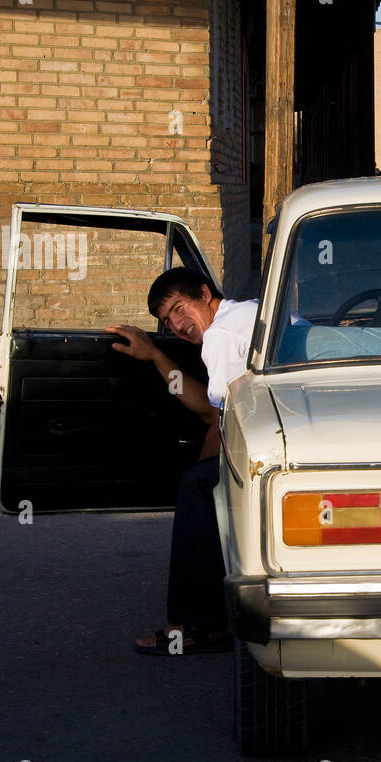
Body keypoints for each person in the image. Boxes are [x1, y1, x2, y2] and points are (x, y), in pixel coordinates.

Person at [105, 268, 260, 655]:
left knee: (198, 486)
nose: (177, 325)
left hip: (270, 449)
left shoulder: (222, 335)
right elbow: (210, 411)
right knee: (201, 482)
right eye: (167, 321)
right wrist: (156, 355)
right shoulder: (241, 315)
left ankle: (198, 626)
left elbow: (221, 423)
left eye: (179, 308)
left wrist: (199, 477)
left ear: (205, 293)